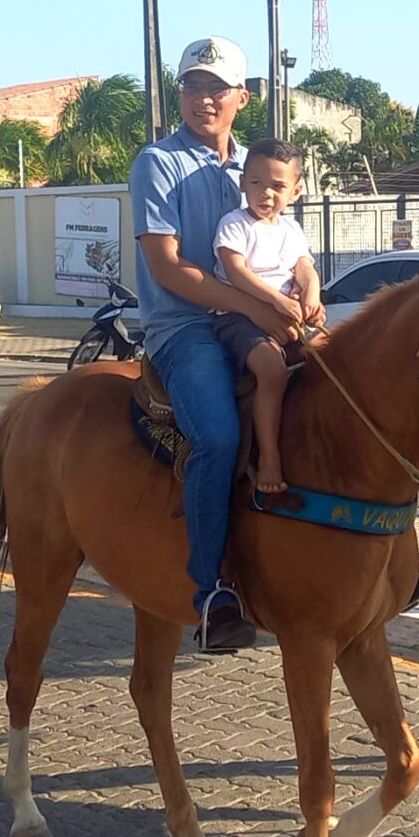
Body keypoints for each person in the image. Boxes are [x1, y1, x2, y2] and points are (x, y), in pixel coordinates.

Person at [131, 36, 279, 653]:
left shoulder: (257, 166)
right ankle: (212, 592)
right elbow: (168, 269)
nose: (203, 99)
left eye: (217, 88)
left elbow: (282, 242)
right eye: (192, 87)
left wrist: (305, 289)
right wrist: (256, 305)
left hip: (254, 319)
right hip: (183, 327)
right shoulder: (158, 163)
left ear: (243, 98)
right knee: (217, 437)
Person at [212, 139, 325, 496]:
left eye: (278, 186)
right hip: (237, 316)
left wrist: (311, 296)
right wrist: (277, 300)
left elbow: (305, 268)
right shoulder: (234, 224)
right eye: (257, 183)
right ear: (243, 182)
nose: (266, 194)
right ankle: (269, 458)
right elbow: (236, 272)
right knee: (271, 368)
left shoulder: (291, 230)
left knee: (332, 359)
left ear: (296, 190)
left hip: (285, 316)